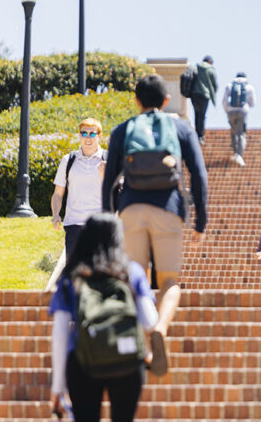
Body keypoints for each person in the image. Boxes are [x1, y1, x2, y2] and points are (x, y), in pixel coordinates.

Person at [102, 74, 208, 376]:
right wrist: (201, 221)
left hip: (131, 209)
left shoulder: (124, 130)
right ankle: (160, 326)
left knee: (136, 280)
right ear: (165, 100)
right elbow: (199, 175)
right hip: (169, 210)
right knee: (170, 281)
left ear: (136, 101)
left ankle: (144, 345)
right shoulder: (181, 128)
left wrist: (109, 222)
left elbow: (109, 181)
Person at [49, 213, 159, 422]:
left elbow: (60, 333)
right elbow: (150, 320)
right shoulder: (131, 272)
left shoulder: (71, 276)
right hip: (127, 359)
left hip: (82, 360)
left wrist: (58, 386)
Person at [51, 118, 107, 258]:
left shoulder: (109, 159)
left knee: (99, 273)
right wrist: (56, 214)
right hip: (74, 225)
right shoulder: (68, 160)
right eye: (84, 133)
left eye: (92, 134)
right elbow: (58, 194)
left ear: (100, 136)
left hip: (100, 224)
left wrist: (107, 177)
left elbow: (118, 191)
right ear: (79, 135)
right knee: (75, 275)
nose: (88, 138)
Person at [222, 72, 256, 167]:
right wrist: (246, 106)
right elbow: (252, 102)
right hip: (243, 112)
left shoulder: (230, 85)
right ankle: (239, 155)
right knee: (241, 133)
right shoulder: (249, 87)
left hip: (231, 112)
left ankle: (235, 152)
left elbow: (224, 99)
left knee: (233, 132)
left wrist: (227, 110)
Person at [189, 55, 218, 145]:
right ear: (209, 62)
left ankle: (197, 134)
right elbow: (215, 85)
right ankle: (200, 136)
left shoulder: (196, 67)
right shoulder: (211, 70)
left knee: (196, 114)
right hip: (204, 95)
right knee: (202, 115)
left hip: (194, 94)